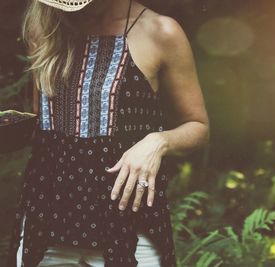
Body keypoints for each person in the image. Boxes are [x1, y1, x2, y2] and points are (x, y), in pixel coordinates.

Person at [6, 0, 210, 266]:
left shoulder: (160, 32)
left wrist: (158, 142)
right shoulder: (45, 27)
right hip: (48, 211)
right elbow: (44, 120)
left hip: (127, 217)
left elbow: (198, 125)